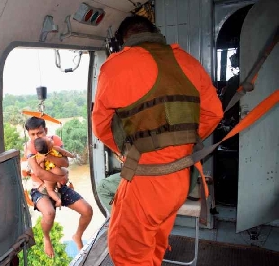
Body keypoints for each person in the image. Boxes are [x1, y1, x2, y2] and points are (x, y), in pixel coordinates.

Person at [92, 16, 223, 265]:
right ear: (155, 32)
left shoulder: (115, 67)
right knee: (155, 244)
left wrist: (128, 152)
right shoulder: (188, 62)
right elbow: (213, 114)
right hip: (182, 176)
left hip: (147, 182)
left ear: (122, 42)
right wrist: (180, 144)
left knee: (127, 254)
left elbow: (102, 128)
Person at [24, 116, 93, 258]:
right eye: (33, 134)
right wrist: (60, 177)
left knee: (87, 210)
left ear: (46, 130)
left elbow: (65, 162)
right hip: (40, 188)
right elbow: (38, 172)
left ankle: (77, 236)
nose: (37, 137)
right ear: (29, 134)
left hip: (59, 186)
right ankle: (46, 238)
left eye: (40, 133)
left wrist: (48, 156)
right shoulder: (30, 147)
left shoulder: (53, 140)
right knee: (49, 213)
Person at [33, 136, 76, 207]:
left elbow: (42, 168)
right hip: (58, 170)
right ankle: (59, 184)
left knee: (50, 190)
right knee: (66, 172)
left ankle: (58, 200)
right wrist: (72, 156)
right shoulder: (55, 148)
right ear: (49, 146)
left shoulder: (39, 157)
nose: (50, 139)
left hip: (49, 176)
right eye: (49, 140)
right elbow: (65, 153)